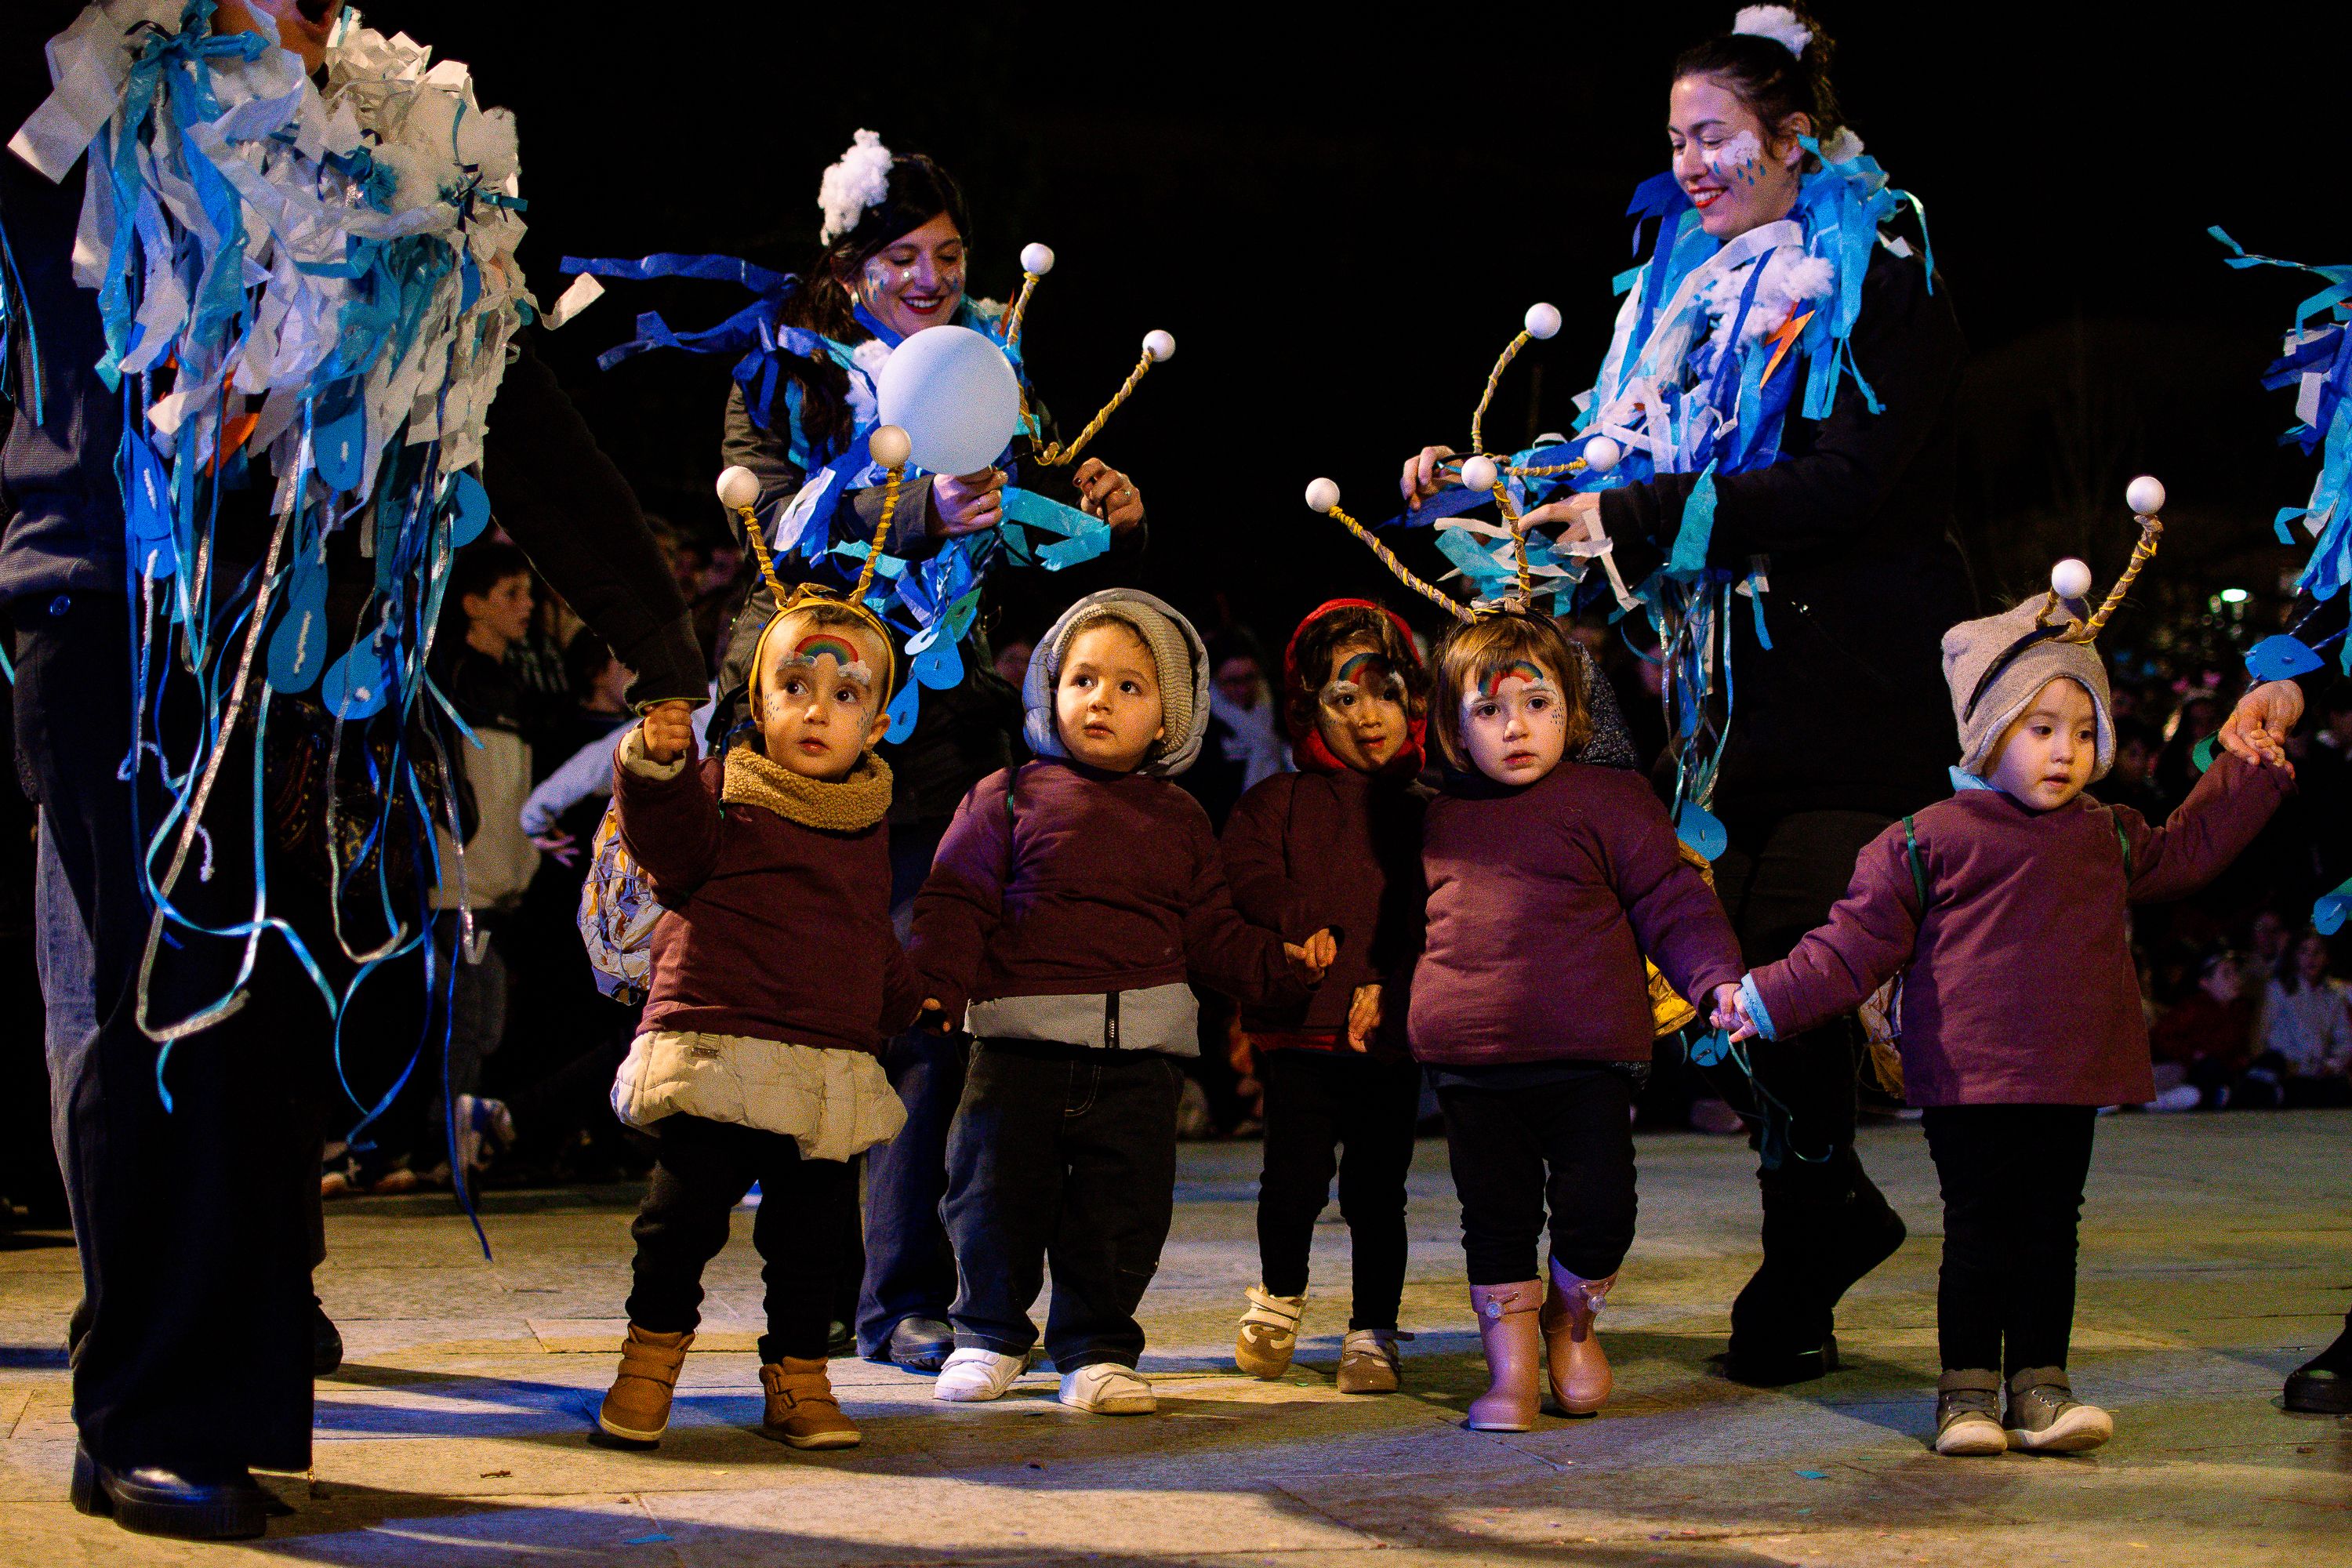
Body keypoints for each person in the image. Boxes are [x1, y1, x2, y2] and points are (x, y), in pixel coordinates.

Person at [2, 4, 703, 1538]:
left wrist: (665, 639)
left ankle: (234, 1392)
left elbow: (511, 396)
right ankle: (147, 1415)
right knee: (165, 1006)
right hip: (124, 612)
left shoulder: (395, 140)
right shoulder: (102, 78)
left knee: (266, 1022)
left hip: (303, 645)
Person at [1406, 4, 1962, 1386]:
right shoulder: (1684, 292)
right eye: (1677, 140)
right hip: (1720, 718)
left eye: (1717, 135)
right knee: (1723, 981)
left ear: (1795, 137)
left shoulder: (1877, 267)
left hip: (1854, 694)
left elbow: (1844, 482)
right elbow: (1624, 454)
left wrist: (1639, 514)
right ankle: (1827, 1219)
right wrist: (1495, 483)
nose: (1693, 164)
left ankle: (1803, 1258)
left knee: (1784, 962)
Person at [656, 136, 1151, 1374]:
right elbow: (771, 520)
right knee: (799, 1009)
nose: (931, 279)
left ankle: (902, 1297)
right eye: (902, 259)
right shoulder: (783, 366)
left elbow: (1026, 521)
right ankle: (791, 1293)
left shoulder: (991, 362)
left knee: (926, 1004)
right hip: (805, 727)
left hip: (938, 733)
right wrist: (914, 510)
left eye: (949, 255)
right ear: (845, 268)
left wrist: (1094, 512)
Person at [1717, 593, 2291, 1456]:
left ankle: (2042, 1386)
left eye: (2084, 732)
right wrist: (1764, 999)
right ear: (1988, 731)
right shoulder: (1925, 840)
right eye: (2041, 728)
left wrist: (2247, 772)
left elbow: (2189, 848)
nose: (2066, 751)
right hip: (1972, 1078)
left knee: (2053, 1228)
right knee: (1980, 1228)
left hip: (2070, 1072)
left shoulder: (2104, 833)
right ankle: (1966, 1392)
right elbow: (1849, 947)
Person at [909, 589, 1330, 1415]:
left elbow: (1211, 930)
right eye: (1083, 679)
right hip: (1018, 1052)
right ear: (1048, 692)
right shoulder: (1007, 796)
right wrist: (933, 982)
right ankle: (989, 1334)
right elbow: (954, 901)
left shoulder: (1180, 817)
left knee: (1122, 1212)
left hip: (1140, 1062)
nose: (1100, 699)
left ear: (1169, 718)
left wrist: (1277, 966)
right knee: (991, 1198)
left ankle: (1097, 1348)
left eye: (1129, 686)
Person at [593, 590, 920, 1450]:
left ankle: (799, 1377)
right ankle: (649, 1360)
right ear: (758, 702)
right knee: (679, 1221)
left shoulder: (866, 819)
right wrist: (658, 768)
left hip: (822, 1062)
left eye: (845, 694)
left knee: (813, 1240)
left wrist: (907, 997)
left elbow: (866, 928)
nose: (817, 710)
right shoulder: (724, 791)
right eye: (795, 687)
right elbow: (667, 848)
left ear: (878, 724)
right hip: (720, 1041)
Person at [1414, 612, 1744, 1430]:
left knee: (1600, 1210)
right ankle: (1511, 1373)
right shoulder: (1436, 814)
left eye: (1537, 703)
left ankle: (1573, 1322)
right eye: (1488, 710)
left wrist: (1715, 978)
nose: (1515, 727)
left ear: (1573, 708)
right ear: (1454, 727)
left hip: (1589, 1054)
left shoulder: (1610, 799)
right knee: (1496, 1218)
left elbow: (1669, 897)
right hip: (1473, 1059)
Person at [1219, 601, 1432, 1395]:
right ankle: (1279, 1295)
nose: (1368, 717)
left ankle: (1373, 1326)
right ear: (1310, 704)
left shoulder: (1429, 810)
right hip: (1301, 1032)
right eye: (1346, 698)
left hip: (1387, 1038)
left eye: (1385, 694)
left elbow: (1435, 911)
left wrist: (1394, 983)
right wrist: (1295, 918)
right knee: (1293, 1179)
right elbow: (1246, 873)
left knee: (1378, 1190)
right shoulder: (1277, 800)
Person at [2252, 931, 2352, 1107]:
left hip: (2320, 1074)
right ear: (2295, 956)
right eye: (2304, 952)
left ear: (2326, 957)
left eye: (2317, 952)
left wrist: (2332, 1065)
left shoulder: (2334, 996)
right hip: (2287, 1074)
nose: (2311, 959)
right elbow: (2261, 1034)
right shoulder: (2279, 990)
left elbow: (2344, 1040)